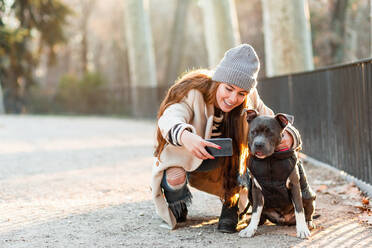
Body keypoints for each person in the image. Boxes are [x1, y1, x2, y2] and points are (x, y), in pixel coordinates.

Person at [151, 44, 302, 232]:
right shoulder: (192, 91)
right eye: (228, 89)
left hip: (226, 163)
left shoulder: (249, 98)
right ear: (219, 81)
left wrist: (289, 137)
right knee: (174, 177)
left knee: (243, 162)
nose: (233, 98)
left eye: (241, 93)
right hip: (188, 153)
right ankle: (177, 204)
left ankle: (231, 203)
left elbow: (272, 120)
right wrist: (186, 136)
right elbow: (169, 117)